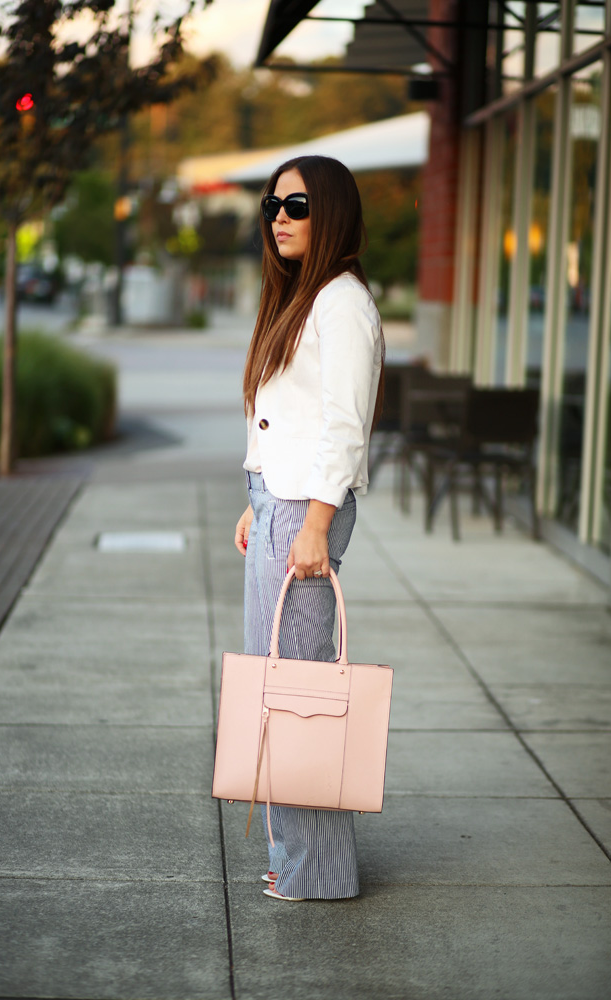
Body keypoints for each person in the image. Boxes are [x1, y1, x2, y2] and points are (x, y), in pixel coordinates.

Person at [234, 154, 384, 901]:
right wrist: (257, 496)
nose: (280, 217)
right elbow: (287, 418)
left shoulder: (341, 303)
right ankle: (296, 855)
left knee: (300, 692)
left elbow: (345, 427)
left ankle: (317, 871)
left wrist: (314, 520)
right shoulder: (305, 297)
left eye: (296, 204)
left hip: (304, 514)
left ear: (331, 213)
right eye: (272, 206)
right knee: (281, 683)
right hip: (280, 507)